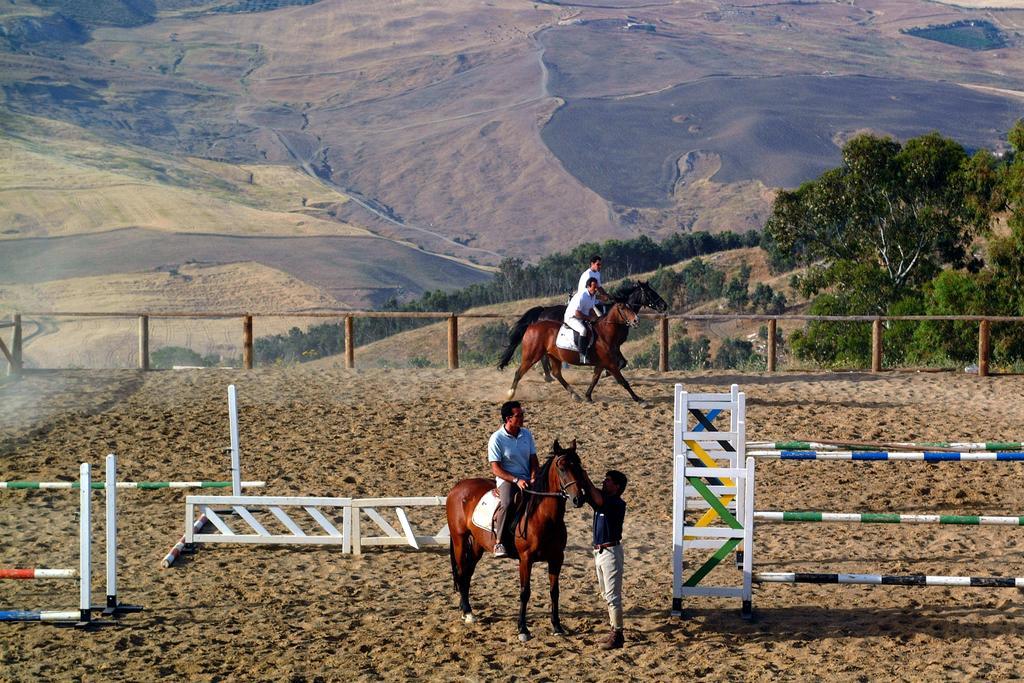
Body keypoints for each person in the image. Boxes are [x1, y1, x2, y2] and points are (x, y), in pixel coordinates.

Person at [581, 468, 628, 650]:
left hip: (610, 553)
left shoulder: (616, 503)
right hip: (600, 552)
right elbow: (590, 497)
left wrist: (586, 477)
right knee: (605, 593)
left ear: (616, 487)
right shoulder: (604, 502)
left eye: (608, 481)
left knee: (612, 596)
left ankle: (618, 634)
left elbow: (598, 498)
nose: (605, 482)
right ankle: (613, 629)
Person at [487, 401, 538, 558]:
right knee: (508, 503)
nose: (522, 418)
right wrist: (516, 480)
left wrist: (534, 476)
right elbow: (496, 468)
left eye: (523, 414)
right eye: (519, 415)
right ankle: (499, 542)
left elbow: (533, 460)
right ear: (508, 418)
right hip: (508, 480)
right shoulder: (497, 439)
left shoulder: (526, 434)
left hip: (527, 478)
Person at [564, 277, 600, 363]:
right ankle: (582, 355)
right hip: (571, 318)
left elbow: (590, 309)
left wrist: (597, 318)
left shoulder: (593, 296)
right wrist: (590, 318)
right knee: (583, 330)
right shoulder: (582, 296)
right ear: (588, 286)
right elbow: (577, 313)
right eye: (594, 287)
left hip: (582, 317)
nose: (596, 289)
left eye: (596, 287)